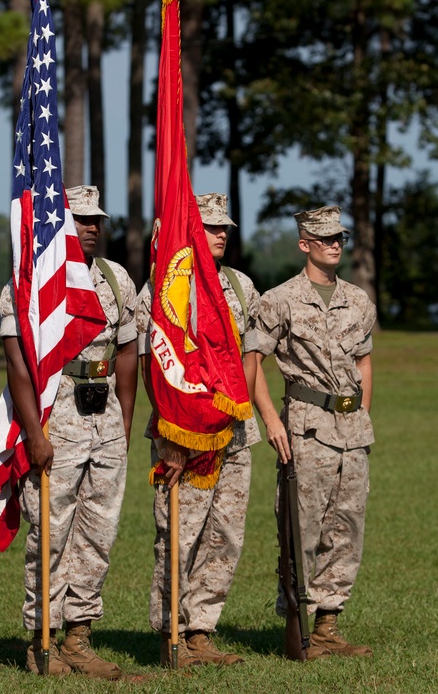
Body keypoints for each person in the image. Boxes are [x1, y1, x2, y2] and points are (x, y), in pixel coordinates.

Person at [0, 185, 137, 679]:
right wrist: (35, 432)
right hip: (57, 416)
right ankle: (43, 640)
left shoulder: (117, 279)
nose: (93, 227)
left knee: (99, 532)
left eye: (97, 219)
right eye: (82, 219)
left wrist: (124, 420)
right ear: (60, 223)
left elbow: (126, 353)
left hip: (104, 419)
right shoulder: (31, 279)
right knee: (51, 533)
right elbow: (16, 362)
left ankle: (80, 637)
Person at [136, 192, 260, 667]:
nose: (222, 233)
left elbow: (248, 359)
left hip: (232, 433)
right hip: (181, 433)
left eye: (225, 226)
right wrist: (172, 439)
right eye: (211, 227)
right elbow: (154, 369)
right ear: (189, 233)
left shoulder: (241, 286)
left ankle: (202, 630)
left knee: (225, 534)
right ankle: (170, 634)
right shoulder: (164, 286)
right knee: (179, 535)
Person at [253, 205, 376, 660]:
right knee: (299, 529)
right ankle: (297, 623)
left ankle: (328, 627)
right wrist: (270, 419)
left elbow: (363, 361)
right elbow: (254, 365)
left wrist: (363, 412)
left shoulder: (358, 300)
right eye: (325, 239)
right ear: (304, 244)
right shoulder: (278, 299)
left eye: (339, 238)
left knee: (346, 528)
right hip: (305, 429)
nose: (335, 245)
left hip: (352, 430)